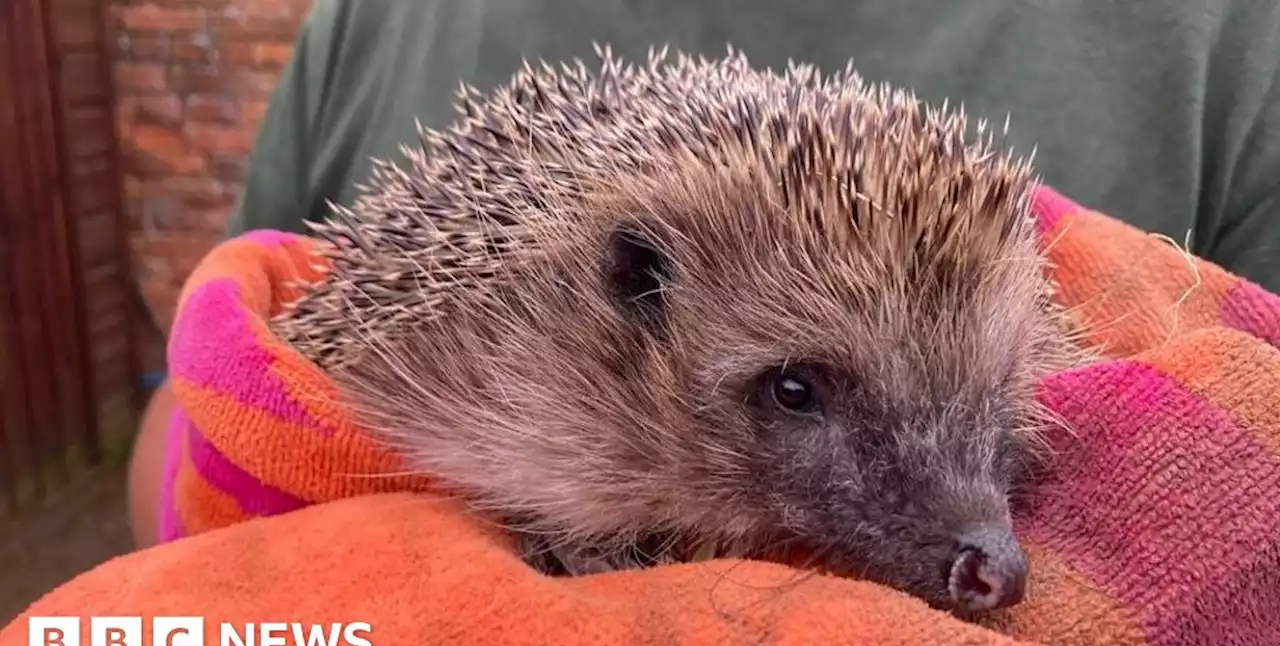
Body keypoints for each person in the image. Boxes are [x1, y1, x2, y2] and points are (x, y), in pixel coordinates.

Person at [127, 0, 1280, 547]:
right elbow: (214, 426)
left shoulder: (1218, 41)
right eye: (795, 396)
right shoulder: (378, 23)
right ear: (637, 293)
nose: (987, 550)